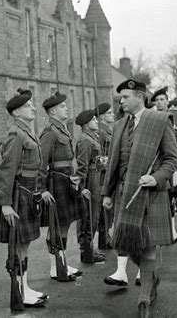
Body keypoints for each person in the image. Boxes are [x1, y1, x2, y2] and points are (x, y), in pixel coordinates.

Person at [102, 79, 177, 316]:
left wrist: (155, 178)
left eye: (125, 97)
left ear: (140, 97)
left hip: (151, 193)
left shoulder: (159, 121)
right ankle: (151, 277)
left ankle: (144, 296)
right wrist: (107, 193)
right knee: (129, 245)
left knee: (148, 247)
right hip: (125, 193)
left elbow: (172, 160)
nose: (121, 101)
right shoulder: (119, 126)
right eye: (120, 98)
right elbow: (114, 162)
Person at [0, 88, 51, 308]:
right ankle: (19, 290)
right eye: (28, 106)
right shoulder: (15, 134)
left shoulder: (27, 132)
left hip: (29, 192)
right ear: (17, 113)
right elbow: (7, 171)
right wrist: (6, 204)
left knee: (25, 244)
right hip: (19, 194)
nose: (33, 108)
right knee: (18, 245)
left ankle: (24, 287)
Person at [40, 91, 84, 280]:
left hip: (66, 179)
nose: (66, 108)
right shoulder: (51, 131)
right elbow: (41, 162)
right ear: (52, 112)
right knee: (56, 225)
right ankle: (54, 266)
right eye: (62, 106)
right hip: (56, 180)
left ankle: (62, 262)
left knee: (65, 223)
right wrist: (41, 189)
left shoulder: (63, 129)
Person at [152, 87, 177, 242]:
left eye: (162, 99)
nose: (159, 102)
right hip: (160, 161)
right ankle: (171, 229)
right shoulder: (152, 116)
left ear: (167, 101)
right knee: (166, 197)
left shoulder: (176, 114)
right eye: (156, 100)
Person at [75, 109, 105, 263]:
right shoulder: (86, 140)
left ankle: (90, 248)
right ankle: (85, 251)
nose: (96, 121)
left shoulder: (93, 138)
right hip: (90, 180)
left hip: (97, 177)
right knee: (88, 216)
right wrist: (82, 188)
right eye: (93, 120)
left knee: (95, 215)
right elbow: (82, 167)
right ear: (86, 125)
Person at [95, 102, 115, 251]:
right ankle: (105, 239)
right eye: (109, 113)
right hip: (103, 174)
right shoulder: (101, 132)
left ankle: (106, 238)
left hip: (108, 172)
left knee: (107, 210)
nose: (112, 115)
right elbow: (100, 154)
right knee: (105, 209)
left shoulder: (108, 130)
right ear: (101, 116)